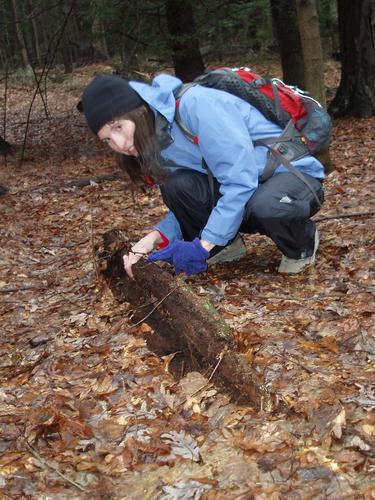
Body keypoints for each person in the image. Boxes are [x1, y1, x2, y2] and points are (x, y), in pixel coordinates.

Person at [81, 72, 324, 278]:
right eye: (107, 140)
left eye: (118, 127)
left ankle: (300, 244)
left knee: (267, 205)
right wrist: (154, 239)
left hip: (291, 176)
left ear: (138, 110)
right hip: (247, 189)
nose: (120, 144)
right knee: (176, 186)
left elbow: (239, 182)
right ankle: (224, 246)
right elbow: (191, 196)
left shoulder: (196, 105)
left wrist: (201, 245)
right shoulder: (157, 136)